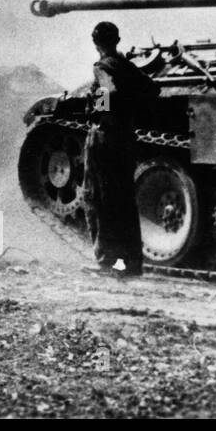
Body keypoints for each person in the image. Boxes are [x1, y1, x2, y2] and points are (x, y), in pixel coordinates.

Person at [82, 21, 158, 278]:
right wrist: (130, 110)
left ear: (96, 43)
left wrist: (99, 108)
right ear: (117, 40)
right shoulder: (126, 66)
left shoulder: (102, 66)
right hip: (126, 138)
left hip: (104, 138)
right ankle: (132, 264)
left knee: (99, 198)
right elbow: (152, 89)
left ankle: (107, 261)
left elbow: (109, 91)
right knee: (124, 200)